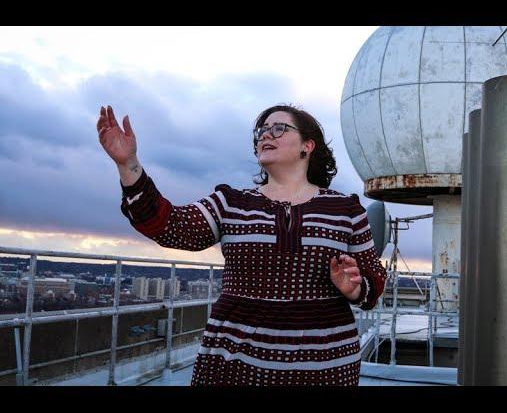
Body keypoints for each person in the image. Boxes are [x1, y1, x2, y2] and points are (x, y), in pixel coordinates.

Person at [96, 103, 387, 386]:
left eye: (279, 128)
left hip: (325, 366)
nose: (266, 135)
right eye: (262, 131)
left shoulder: (346, 210)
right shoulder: (231, 203)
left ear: (307, 146)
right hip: (234, 364)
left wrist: (356, 287)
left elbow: (374, 280)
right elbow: (171, 227)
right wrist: (128, 164)